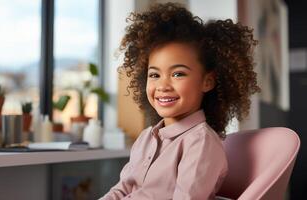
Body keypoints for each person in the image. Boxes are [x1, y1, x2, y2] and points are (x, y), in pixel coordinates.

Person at [100, 2, 260, 200]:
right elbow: (123, 189)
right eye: (154, 75)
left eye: (178, 73)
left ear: (207, 81)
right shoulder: (146, 138)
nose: (163, 85)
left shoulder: (200, 144)